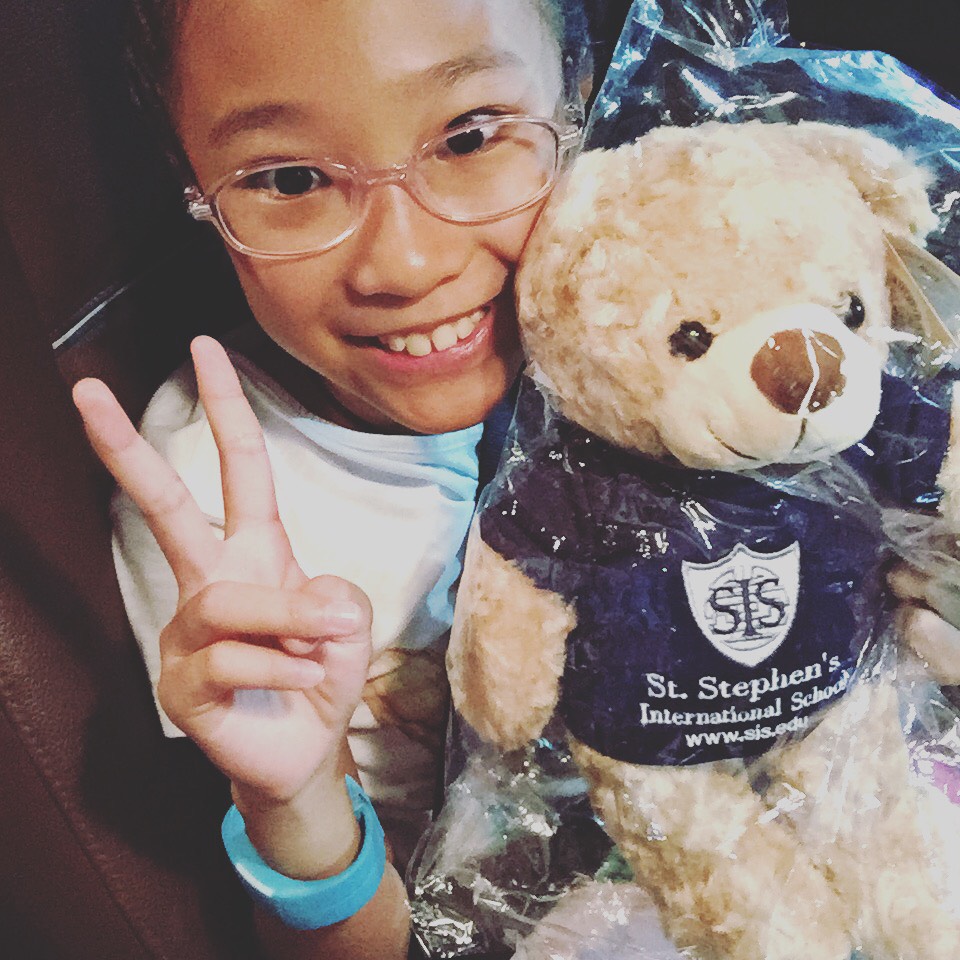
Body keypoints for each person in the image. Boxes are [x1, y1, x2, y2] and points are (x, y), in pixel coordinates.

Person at [71, 1, 591, 958]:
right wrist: (296, 805)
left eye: (469, 137)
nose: (405, 262)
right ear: (195, 187)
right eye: (292, 178)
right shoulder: (221, 514)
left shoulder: (664, 305)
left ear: (578, 101)